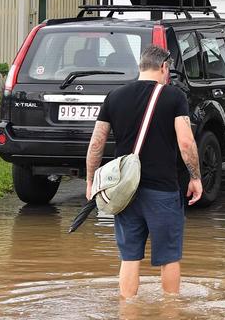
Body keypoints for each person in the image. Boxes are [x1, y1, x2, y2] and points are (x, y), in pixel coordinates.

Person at [85, 44, 204, 299]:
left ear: (140, 67)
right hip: (162, 191)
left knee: (129, 257)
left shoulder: (114, 97)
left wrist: (90, 182)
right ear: (163, 67)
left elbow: (96, 144)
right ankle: (170, 312)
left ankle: (128, 310)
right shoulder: (173, 97)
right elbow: (186, 143)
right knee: (169, 257)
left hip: (125, 193)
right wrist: (195, 177)